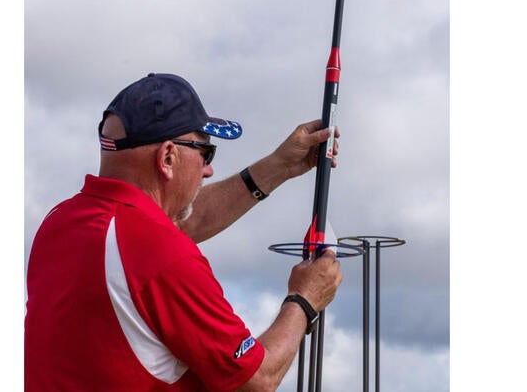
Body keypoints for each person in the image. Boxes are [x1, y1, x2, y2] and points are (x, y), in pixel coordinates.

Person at [25, 73, 343, 391]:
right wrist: (305, 299)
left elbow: (174, 226)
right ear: (167, 157)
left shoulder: (60, 223)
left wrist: (279, 166)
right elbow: (255, 380)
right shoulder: (159, 253)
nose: (208, 169)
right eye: (206, 153)